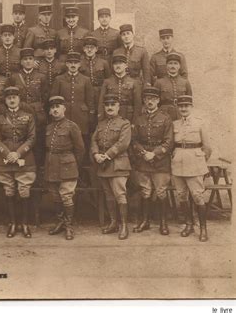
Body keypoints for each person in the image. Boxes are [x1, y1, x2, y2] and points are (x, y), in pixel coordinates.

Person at [0, 86, 36, 238]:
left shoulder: (28, 116)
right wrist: (7, 153)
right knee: (9, 190)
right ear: (5, 101)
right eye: (9, 98)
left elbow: (32, 138)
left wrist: (18, 153)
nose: (12, 100)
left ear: (19, 99)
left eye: (15, 97)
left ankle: (24, 223)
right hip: (5, 159)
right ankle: (12, 223)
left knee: (24, 190)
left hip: (24, 157)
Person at [131, 87, 173, 235]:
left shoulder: (165, 118)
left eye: (153, 99)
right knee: (145, 192)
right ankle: (145, 222)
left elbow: (169, 142)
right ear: (144, 100)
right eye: (147, 99)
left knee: (161, 192)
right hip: (143, 161)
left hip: (161, 162)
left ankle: (163, 223)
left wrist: (154, 154)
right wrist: (143, 153)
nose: (150, 101)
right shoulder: (139, 119)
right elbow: (134, 140)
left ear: (158, 101)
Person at [90, 93, 132, 240]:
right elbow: (94, 140)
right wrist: (96, 154)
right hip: (103, 165)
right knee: (109, 195)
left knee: (120, 194)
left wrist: (106, 155)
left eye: (112, 105)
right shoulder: (100, 124)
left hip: (118, 164)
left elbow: (123, 143)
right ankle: (114, 223)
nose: (109, 107)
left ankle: (124, 226)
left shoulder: (124, 123)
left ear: (118, 106)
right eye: (107, 105)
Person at [171, 95, 212, 242]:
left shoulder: (200, 124)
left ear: (191, 107)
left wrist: (201, 163)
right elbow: (172, 144)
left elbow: (207, 147)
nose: (183, 109)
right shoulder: (174, 124)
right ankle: (189, 225)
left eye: (186, 106)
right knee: (182, 196)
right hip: (178, 163)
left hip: (195, 163)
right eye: (181, 106)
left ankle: (203, 229)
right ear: (178, 108)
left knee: (198, 196)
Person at [45, 96, 85, 240]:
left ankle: (69, 226)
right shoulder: (49, 127)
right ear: (50, 111)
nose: (55, 110)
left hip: (68, 164)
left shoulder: (72, 126)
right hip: (52, 164)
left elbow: (80, 149)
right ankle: (60, 222)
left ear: (64, 109)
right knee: (55, 196)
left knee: (66, 196)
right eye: (53, 108)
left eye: (58, 107)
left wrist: (74, 165)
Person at [8, 48, 48, 171]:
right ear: (21, 62)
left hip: (38, 114)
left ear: (34, 60)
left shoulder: (41, 77)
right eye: (25, 59)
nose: (28, 62)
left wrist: (39, 109)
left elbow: (46, 96)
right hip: (21, 112)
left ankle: (38, 167)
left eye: (30, 59)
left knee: (38, 140)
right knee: (22, 140)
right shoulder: (15, 77)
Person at [50, 51, 95, 145]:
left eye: (75, 63)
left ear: (79, 64)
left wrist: (90, 118)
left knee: (82, 143)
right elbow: (53, 100)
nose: (73, 65)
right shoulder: (59, 79)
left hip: (81, 118)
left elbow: (90, 101)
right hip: (64, 116)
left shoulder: (86, 80)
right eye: (70, 63)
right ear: (67, 64)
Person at [79, 35, 111, 130]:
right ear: (84, 49)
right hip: (84, 93)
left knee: (100, 115)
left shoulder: (103, 63)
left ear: (96, 49)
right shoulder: (79, 62)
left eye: (92, 48)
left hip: (100, 93)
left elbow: (108, 79)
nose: (89, 50)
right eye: (87, 47)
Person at [99, 54, 142, 123]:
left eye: (120, 63)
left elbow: (137, 105)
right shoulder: (107, 82)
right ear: (113, 66)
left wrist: (134, 122)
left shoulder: (134, 82)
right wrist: (101, 119)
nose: (118, 66)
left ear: (126, 65)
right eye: (115, 64)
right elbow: (101, 102)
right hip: (110, 115)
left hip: (128, 116)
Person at [154, 53, 192, 120]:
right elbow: (155, 102)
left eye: (175, 63)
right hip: (164, 114)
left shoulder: (185, 82)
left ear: (179, 66)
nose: (173, 66)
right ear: (166, 66)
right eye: (170, 63)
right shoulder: (159, 82)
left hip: (180, 113)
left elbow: (189, 102)